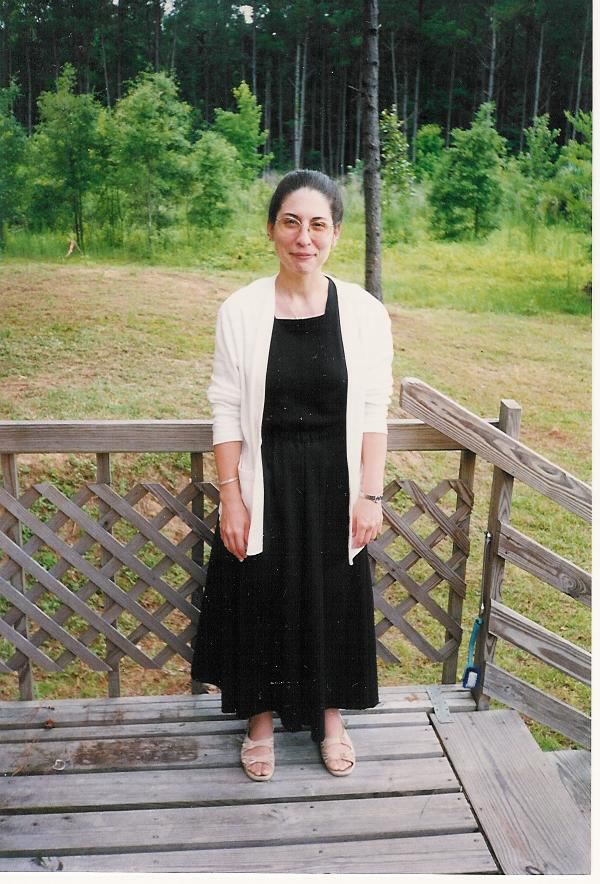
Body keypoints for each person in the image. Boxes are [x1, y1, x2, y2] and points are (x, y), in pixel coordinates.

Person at [191, 169, 394, 781]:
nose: (304, 238)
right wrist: (231, 499)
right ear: (271, 229)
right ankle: (258, 721)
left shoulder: (364, 313)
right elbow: (226, 406)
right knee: (259, 596)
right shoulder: (240, 310)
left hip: (336, 482)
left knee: (331, 599)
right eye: (291, 223)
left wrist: (370, 494)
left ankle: (331, 717)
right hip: (264, 479)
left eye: (318, 225)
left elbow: (374, 409)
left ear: (335, 234)